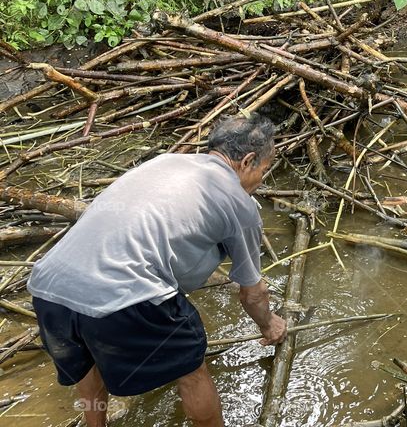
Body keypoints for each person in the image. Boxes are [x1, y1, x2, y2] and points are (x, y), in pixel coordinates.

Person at [27, 113, 287, 427]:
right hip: (125, 293)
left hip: (49, 288)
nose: (261, 179)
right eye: (264, 168)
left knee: (87, 361)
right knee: (191, 371)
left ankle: (95, 424)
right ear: (247, 161)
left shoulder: (164, 162)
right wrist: (270, 325)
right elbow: (252, 293)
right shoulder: (238, 203)